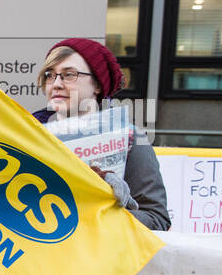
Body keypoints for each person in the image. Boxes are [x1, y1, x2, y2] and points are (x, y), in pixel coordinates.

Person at [32, 38, 170, 231]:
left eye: (69, 75)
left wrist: (103, 212)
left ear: (97, 84)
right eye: (49, 75)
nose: (55, 84)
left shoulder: (130, 138)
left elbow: (157, 220)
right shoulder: (28, 134)